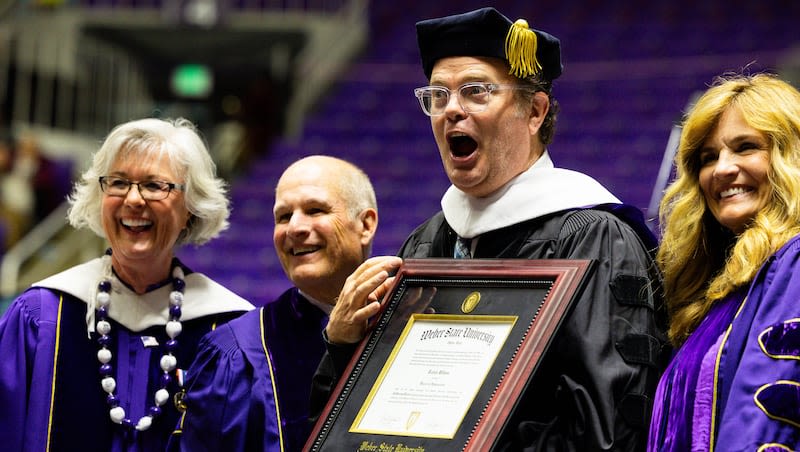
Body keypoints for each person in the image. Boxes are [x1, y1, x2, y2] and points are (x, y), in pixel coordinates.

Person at [310, 7, 668, 451]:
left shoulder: (592, 238)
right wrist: (342, 344)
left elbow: (606, 427)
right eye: (438, 96)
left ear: (534, 111)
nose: (452, 110)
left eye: (476, 91)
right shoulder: (426, 243)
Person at [0, 117, 255, 452]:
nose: (134, 200)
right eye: (119, 182)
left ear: (190, 209)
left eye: (154, 185)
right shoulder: (41, 316)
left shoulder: (228, 329)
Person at [170, 155, 379, 451]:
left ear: (366, 225)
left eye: (315, 209)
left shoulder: (411, 326)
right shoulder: (234, 353)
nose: (294, 228)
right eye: (283, 217)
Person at [648, 74, 800, 450]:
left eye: (746, 147)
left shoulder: (794, 263)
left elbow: (769, 421)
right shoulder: (719, 291)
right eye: (708, 157)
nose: (722, 169)